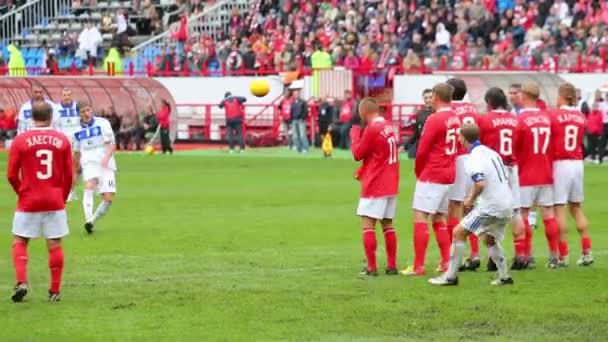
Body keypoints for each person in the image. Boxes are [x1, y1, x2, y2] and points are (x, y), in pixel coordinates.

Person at [429, 123, 514, 286]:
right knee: (490, 238)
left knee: (458, 233)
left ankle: (450, 277)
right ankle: (504, 276)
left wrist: (470, 199)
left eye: (459, 137)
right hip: (507, 202)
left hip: (491, 205)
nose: (459, 140)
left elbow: (480, 183)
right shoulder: (491, 152)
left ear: (463, 139)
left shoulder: (473, 158)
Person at [7, 102, 74, 302]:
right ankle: (54, 291)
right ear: (51, 117)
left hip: (28, 199)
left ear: (31, 117)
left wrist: (22, 192)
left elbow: (11, 174)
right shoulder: (62, 140)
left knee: (20, 240)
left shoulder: (20, 140)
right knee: (54, 244)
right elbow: (69, 176)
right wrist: (61, 197)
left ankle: (22, 282)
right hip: (54, 199)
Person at [401, 83, 460, 277]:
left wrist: (419, 171)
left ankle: (418, 266)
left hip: (433, 173)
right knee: (439, 218)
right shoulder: (455, 118)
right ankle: (445, 262)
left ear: (435, 97)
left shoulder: (435, 119)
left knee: (420, 216)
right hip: (448, 174)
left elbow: (423, 149)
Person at [478, 87, 528, 270]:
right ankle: (521, 255)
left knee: (490, 213)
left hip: (494, 170)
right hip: (511, 167)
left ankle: (493, 258)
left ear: (489, 102)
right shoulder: (515, 120)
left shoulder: (484, 120)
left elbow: (480, 146)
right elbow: (520, 144)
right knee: (515, 212)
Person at [350, 97, 399, 276]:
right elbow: (378, 154)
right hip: (391, 181)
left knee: (367, 223)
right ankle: (392, 266)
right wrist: (363, 170)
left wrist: (355, 135)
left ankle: (371, 267)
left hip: (376, 183)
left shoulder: (372, 129)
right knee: (388, 224)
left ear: (363, 113)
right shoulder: (388, 126)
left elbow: (357, 153)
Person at [514, 82, 561, 269]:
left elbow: (515, 149)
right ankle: (553, 256)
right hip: (546, 172)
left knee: (523, 214)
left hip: (526, 173)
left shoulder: (520, 119)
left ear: (524, 97)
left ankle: (527, 255)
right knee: (548, 214)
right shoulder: (547, 118)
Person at [549, 83, 593, 267]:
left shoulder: (554, 114)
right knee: (576, 207)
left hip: (561, 163)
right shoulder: (581, 116)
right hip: (577, 163)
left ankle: (563, 255)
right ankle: (587, 251)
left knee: (559, 208)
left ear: (561, 96)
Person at [446, 78, 481, 271]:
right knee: (470, 207)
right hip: (474, 158)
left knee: (454, 206)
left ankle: (454, 255)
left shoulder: (450, 111)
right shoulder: (473, 109)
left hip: (459, 159)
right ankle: (474, 253)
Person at [73, 102, 117, 234]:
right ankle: (87, 220)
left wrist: (106, 158)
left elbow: (112, 144)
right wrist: (75, 172)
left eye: (88, 110)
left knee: (108, 198)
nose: (86, 114)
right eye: (83, 112)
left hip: (106, 162)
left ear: (91, 110)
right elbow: (76, 152)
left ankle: (92, 221)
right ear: (78, 114)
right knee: (89, 185)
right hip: (89, 161)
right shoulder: (76, 130)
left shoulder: (103, 123)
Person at [405, 88, 434, 158]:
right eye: (426, 98)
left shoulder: (437, 112)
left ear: (434, 98)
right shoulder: (420, 113)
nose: (428, 100)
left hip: (433, 147)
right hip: (421, 145)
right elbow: (416, 133)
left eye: (430, 97)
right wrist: (405, 146)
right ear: (423, 99)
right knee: (409, 156)